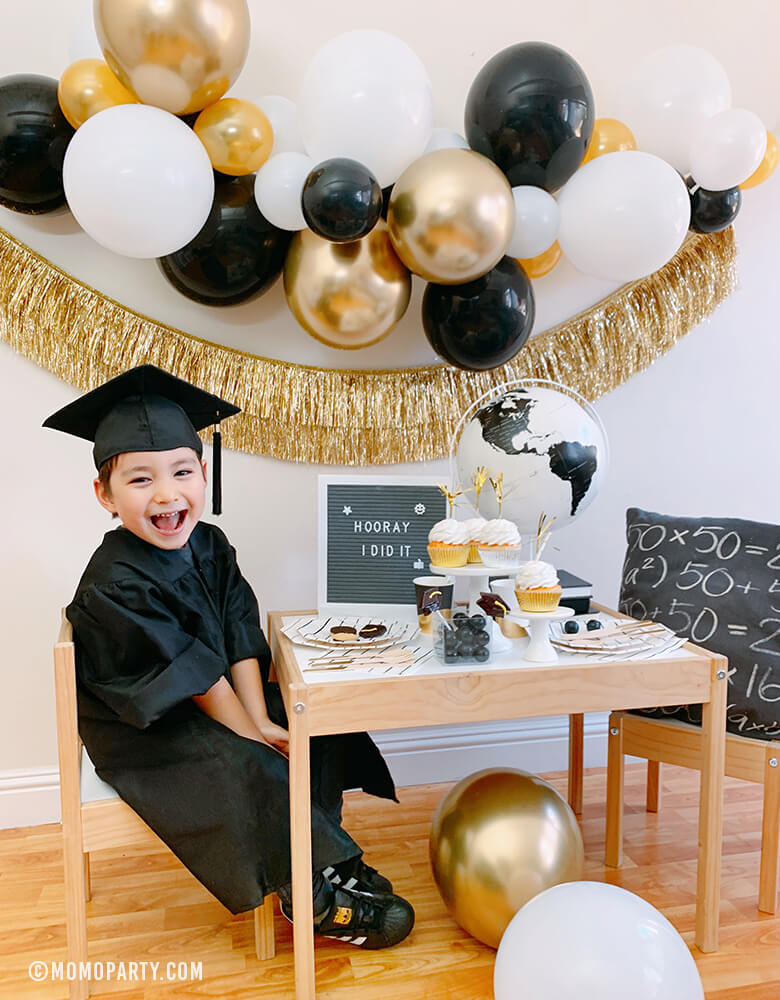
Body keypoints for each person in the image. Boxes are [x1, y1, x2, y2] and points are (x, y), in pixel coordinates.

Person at [43, 364, 414, 949]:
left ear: (203, 474)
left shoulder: (210, 545)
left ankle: (318, 856)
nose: (167, 494)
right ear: (105, 496)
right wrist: (251, 738)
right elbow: (190, 676)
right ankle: (312, 895)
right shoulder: (115, 584)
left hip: (208, 696)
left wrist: (263, 719)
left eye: (181, 472)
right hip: (150, 727)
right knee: (253, 764)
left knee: (311, 723)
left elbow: (239, 631)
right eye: (141, 481)